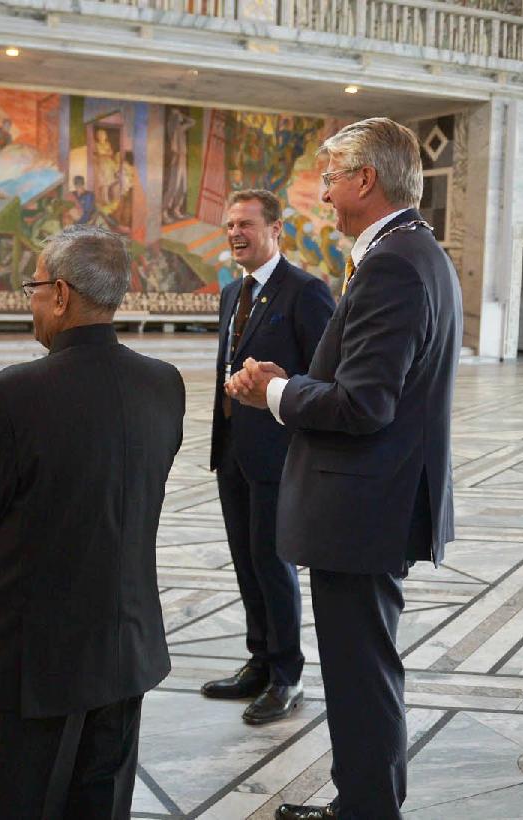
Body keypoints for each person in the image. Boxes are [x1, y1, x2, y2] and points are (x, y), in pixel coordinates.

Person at [226, 118, 462, 820]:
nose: (324, 193)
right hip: (375, 501)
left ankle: (366, 810)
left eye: (330, 178)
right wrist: (295, 381)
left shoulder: (393, 263)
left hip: (364, 509)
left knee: (362, 676)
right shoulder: (412, 251)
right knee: (364, 671)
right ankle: (362, 801)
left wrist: (274, 392)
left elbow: (364, 404)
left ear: (365, 179)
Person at [0, 225, 185, 819]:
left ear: (59, 294)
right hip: (124, 647)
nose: (30, 301)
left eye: (33, 287)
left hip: (35, 657)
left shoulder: (13, 394)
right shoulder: (164, 383)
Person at [205, 189, 334, 725]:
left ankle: (287, 676)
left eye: (246, 224)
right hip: (233, 450)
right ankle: (259, 661)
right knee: (246, 559)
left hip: (278, 454)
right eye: (230, 225)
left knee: (272, 564)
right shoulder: (231, 293)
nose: (235, 233)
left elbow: (327, 375)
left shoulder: (305, 292)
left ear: (276, 229)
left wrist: (282, 383)